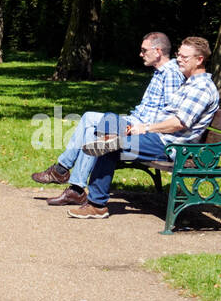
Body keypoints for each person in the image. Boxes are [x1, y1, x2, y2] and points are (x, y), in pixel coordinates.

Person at [68, 36, 220, 221]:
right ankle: (106, 142)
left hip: (173, 146)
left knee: (112, 146)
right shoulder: (190, 83)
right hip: (161, 138)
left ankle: (96, 204)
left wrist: (146, 128)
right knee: (109, 121)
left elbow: (178, 123)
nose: (179, 59)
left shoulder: (202, 87)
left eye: (184, 57)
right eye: (178, 55)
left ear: (199, 60)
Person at [32, 32, 183, 206]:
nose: (140, 54)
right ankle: (73, 185)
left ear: (157, 51)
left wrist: (141, 127)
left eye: (144, 50)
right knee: (91, 126)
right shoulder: (161, 73)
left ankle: (65, 175)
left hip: (143, 129)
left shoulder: (171, 74)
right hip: (134, 121)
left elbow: (170, 114)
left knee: (93, 124)